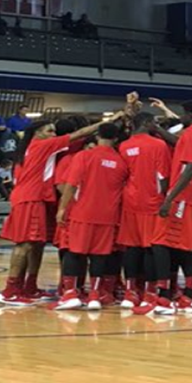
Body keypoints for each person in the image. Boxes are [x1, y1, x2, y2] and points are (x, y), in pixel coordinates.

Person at [0, 114, 122, 306]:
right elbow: (79, 134)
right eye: (50, 131)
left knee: (36, 244)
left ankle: (30, 286)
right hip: (29, 198)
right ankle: (10, 290)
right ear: (37, 133)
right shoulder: (41, 145)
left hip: (34, 197)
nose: (53, 134)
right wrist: (112, 119)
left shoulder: (38, 149)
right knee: (25, 244)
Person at [133, 100, 192, 315]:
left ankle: (164, 297)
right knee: (186, 247)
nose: (181, 117)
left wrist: (170, 198)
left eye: (183, 114)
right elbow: (179, 144)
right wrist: (158, 130)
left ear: (189, 115)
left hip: (183, 199)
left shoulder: (191, 135)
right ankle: (188, 296)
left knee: (159, 242)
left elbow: (191, 167)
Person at [52, 123, 128, 311]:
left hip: (82, 212)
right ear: (116, 139)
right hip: (108, 215)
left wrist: (62, 209)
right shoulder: (121, 162)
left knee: (74, 251)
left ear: (97, 136)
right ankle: (95, 295)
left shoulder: (84, 156)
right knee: (100, 255)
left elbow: (71, 185)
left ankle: (70, 294)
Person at [112, 112, 172, 309]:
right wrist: (166, 197)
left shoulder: (124, 146)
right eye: (154, 122)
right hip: (153, 202)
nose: (156, 125)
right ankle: (150, 292)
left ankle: (130, 293)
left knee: (132, 247)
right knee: (152, 248)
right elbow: (163, 177)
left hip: (130, 202)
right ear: (147, 123)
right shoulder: (159, 145)